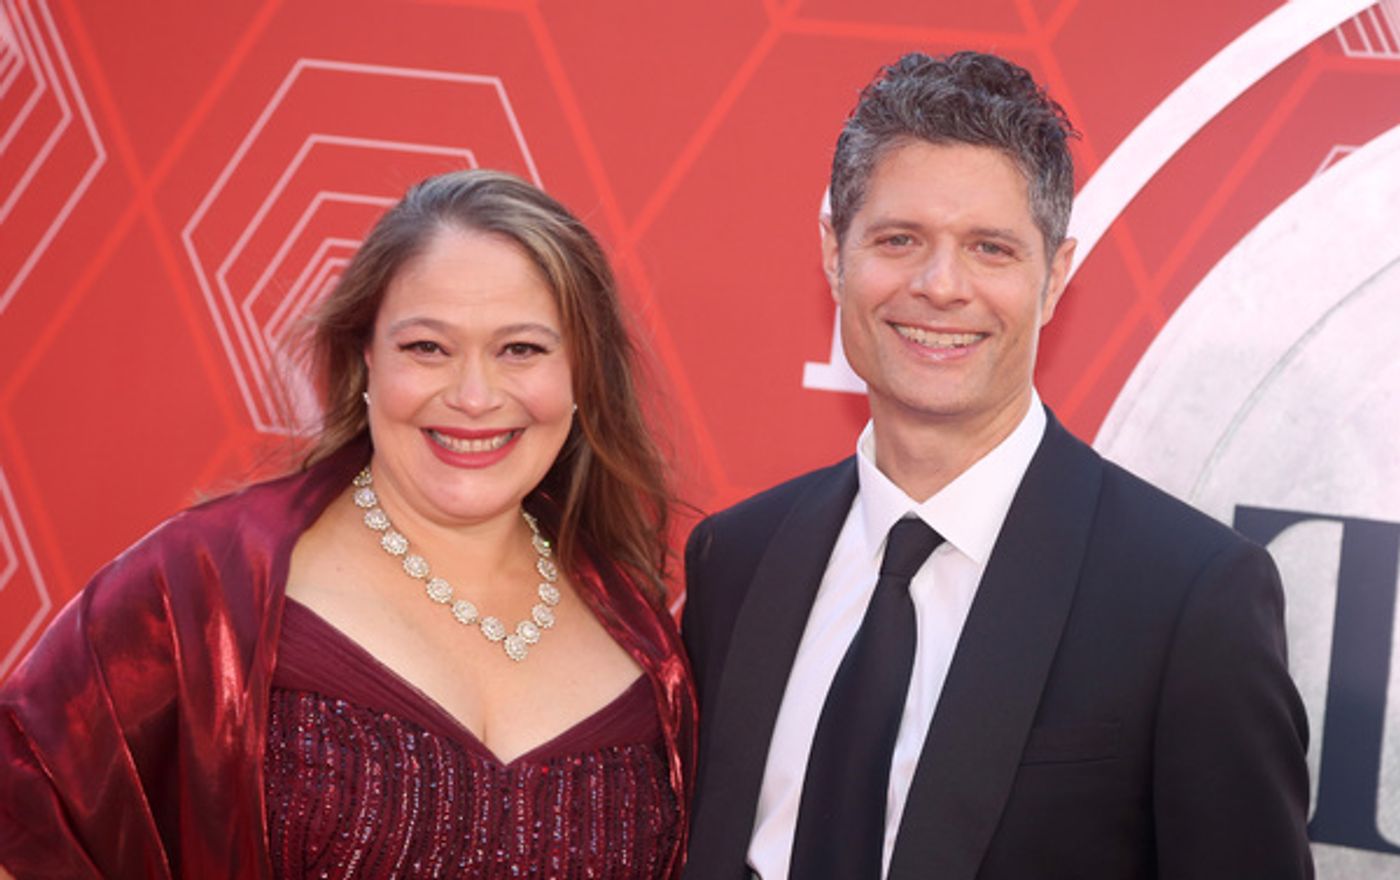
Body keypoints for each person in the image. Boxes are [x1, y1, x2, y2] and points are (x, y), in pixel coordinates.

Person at [681, 51, 1312, 880]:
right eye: (899, 239)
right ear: (834, 252)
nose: (942, 287)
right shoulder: (735, 560)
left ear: (1055, 276)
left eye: (991, 249)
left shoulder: (1191, 598)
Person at [0, 170, 696, 878]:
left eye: (521, 349)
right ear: (366, 357)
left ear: (582, 373)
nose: (475, 396)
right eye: (428, 347)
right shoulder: (201, 587)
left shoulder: (648, 643)